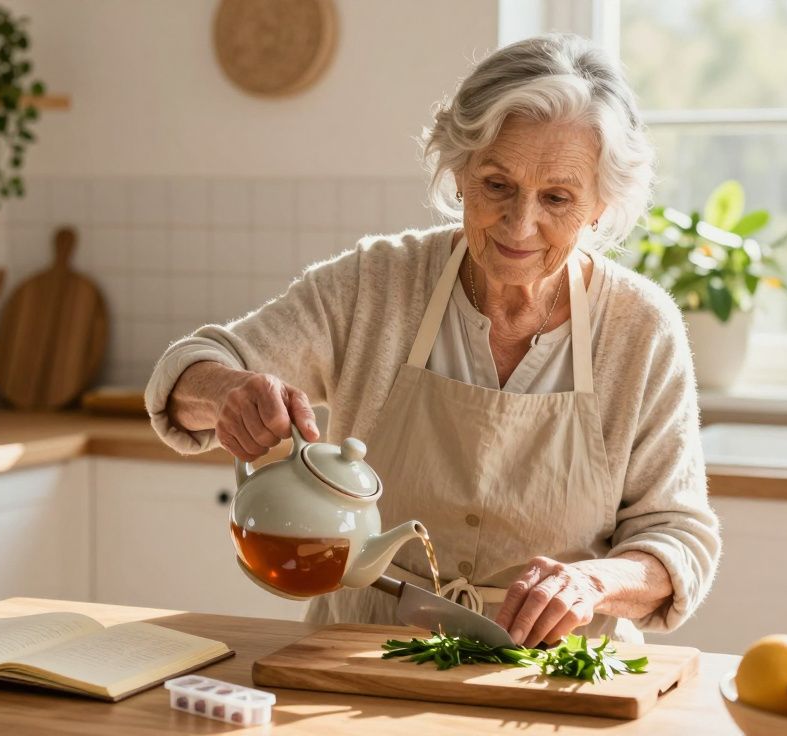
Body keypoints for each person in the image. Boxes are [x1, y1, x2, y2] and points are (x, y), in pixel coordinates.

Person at [147, 33, 720, 647]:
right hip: (362, 653)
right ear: (459, 170)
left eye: (557, 198)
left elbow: (677, 540)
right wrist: (227, 391)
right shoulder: (375, 283)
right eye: (496, 185)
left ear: (601, 206)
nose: (521, 224)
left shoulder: (642, 329)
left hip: (555, 669)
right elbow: (188, 372)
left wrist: (593, 583)